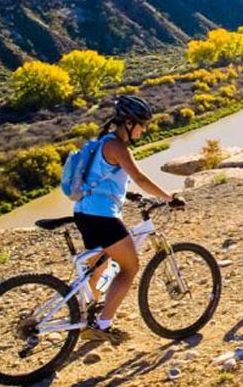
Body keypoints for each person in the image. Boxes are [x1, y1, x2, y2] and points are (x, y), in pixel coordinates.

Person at [73, 95, 183, 344]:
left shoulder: (103, 142)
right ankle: (103, 324)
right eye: (142, 124)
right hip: (102, 217)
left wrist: (127, 194)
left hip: (84, 212)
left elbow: (105, 178)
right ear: (130, 122)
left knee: (98, 265)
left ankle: (83, 316)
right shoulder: (118, 147)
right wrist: (169, 197)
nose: (144, 129)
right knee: (130, 267)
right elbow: (141, 178)